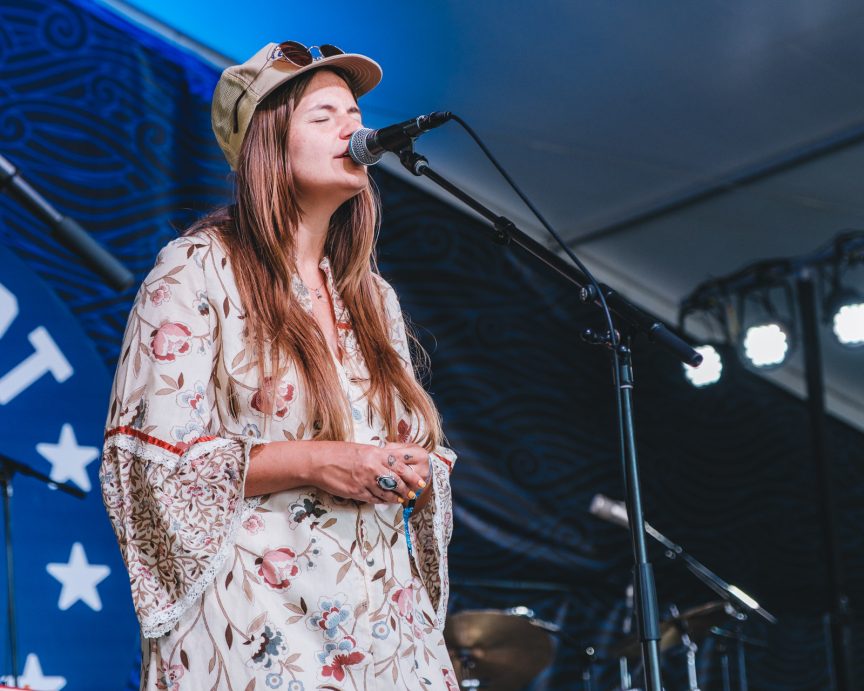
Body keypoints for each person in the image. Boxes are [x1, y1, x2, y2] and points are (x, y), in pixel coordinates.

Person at [100, 41, 459, 691]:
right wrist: (318, 460)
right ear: (267, 143)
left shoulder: (374, 299)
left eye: (354, 112)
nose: (353, 128)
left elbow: (403, 449)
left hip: (379, 634)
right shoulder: (196, 269)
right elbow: (147, 466)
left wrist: (416, 469)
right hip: (256, 625)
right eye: (324, 116)